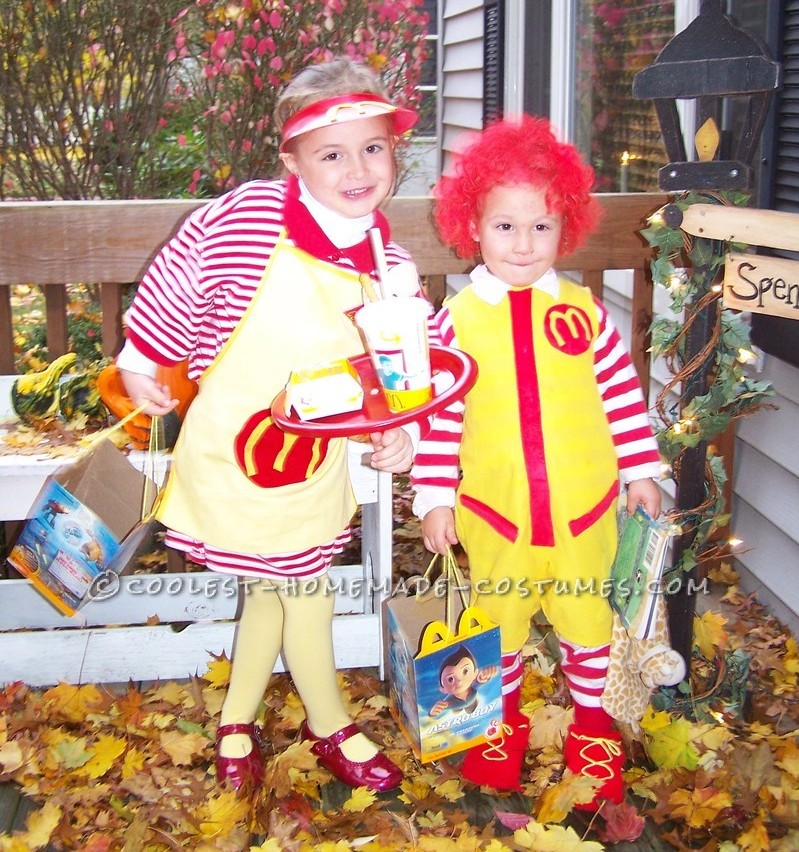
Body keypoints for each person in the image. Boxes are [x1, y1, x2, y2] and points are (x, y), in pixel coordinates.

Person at [117, 56, 426, 794]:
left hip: (314, 461)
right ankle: (330, 724)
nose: (357, 169)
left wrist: (398, 428)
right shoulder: (250, 217)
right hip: (233, 444)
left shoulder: (392, 262)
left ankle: (234, 721)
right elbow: (180, 275)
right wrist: (144, 361)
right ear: (291, 159)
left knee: (275, 583)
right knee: (304, 586)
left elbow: (402, 367)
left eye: (373, 148)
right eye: (331, 153)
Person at [411, 115, 662, 808]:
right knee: (499, 632)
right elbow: (438, 418)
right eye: (503, 227)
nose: (522, 244)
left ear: (566, 227)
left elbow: (622, 402)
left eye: (541, 227)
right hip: (499, 520)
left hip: (585, 517)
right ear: (473, 227)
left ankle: (591, 742)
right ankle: (498, 747)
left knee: (588, 632)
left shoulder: (584, 313)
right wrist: (433, 496)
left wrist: (641, 471)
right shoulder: (455, 322)